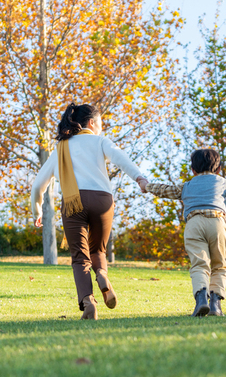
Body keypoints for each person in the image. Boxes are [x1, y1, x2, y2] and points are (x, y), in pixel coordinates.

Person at [31, 103, 148, 320]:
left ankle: (88, 303)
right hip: (103, 200)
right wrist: (139, 178)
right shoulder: (100, 141)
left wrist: (37, 210)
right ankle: (102, 274)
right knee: (98, 251)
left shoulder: (61, 148)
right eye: (100, 124)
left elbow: (38, 186)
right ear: (92, 123)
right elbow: (121, 158)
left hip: (73, 202)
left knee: (80, 257)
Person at [140, 149, 226, 317]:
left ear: (193, 170)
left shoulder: (187, 186)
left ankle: (201, 299)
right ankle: (215, 305)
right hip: (218, 222)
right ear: (218, 169)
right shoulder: (223, 182)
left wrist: (147, 186)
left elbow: (165, 190)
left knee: (199, 265)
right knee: (220, 265)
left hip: (194, 223)